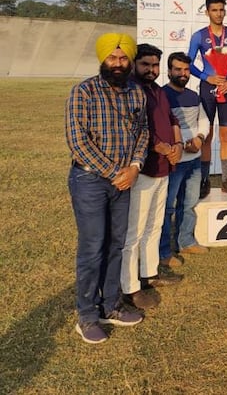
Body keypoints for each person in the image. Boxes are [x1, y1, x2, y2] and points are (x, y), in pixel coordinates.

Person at [66, 33, 148, 344]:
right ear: (102, 60)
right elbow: (77, 141)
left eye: (123, 58)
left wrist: (135, 166)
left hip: (124, 180)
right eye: (112, 58)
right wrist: (117, 172)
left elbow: (143, 133)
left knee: (116, 244)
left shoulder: (136, 93)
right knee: (92, 248)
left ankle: (111, 306)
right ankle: (86, 316)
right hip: (89, 180)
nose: (118, 63)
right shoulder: (83, 92)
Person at [122, 44, 184, 311]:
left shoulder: (158, 90)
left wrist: (178, 146)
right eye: (146, 64)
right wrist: (163, 148)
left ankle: (149, 274)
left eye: (155, 65)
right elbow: (135, 128)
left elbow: (172, 119)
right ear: (135, 64)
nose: (151, 70)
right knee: (133, 233)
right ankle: (129, 287)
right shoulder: (131, 90)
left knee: (155, 226)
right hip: (144, 169)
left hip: (164, 167)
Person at [188, 0, 227, 197]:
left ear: (225, 11)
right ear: (207, 12)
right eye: (214, 10)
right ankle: (204, 180)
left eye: (221, 9)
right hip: (207, 89)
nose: (218, 13)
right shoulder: (199, 36)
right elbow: (189, 63)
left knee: (225, 136)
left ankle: (226, 180)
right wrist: (207, 77)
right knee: (207, 136)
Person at [160, 51, 211, 268]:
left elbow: (204, 121)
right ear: (169, 71)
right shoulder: (162, 95)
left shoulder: (193, 96)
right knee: (167, 208)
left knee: (188, 204)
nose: (183, 73)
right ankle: (162, 251)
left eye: (186, 70)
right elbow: (163, 127)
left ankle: (186, 241)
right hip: (173, 162)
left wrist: (199, 139)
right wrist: (178, 147)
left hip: (194, 161)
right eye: (178, 69)